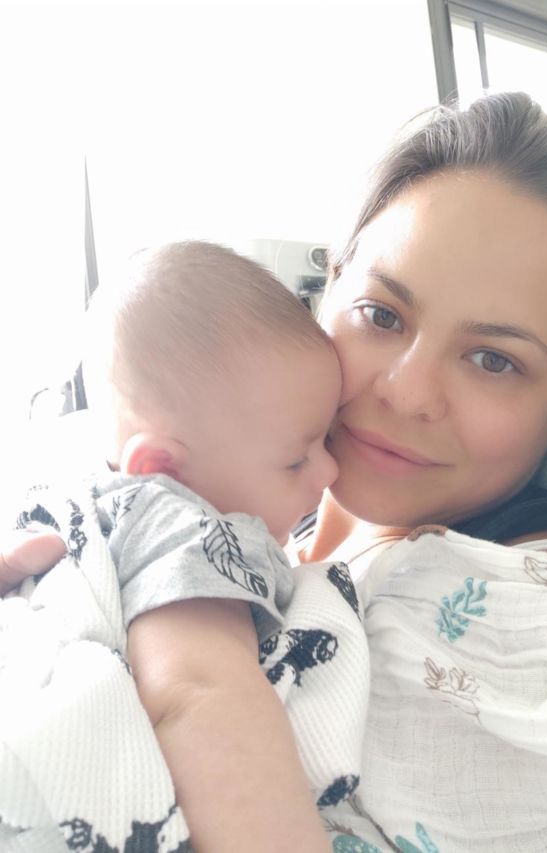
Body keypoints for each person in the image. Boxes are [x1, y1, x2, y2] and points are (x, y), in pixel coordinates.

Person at [3, 92, 547, 851]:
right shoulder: (236, 492)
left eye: (494, 360)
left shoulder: (538, 604)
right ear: (328, 288)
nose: (406, 392)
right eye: (382, 315)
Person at [0, 241, 369, 853]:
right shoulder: (185, 521)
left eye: (327, 440)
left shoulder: (87, 492)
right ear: (163, 468)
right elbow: (198, 692)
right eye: (296, 458)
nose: (329, 472)